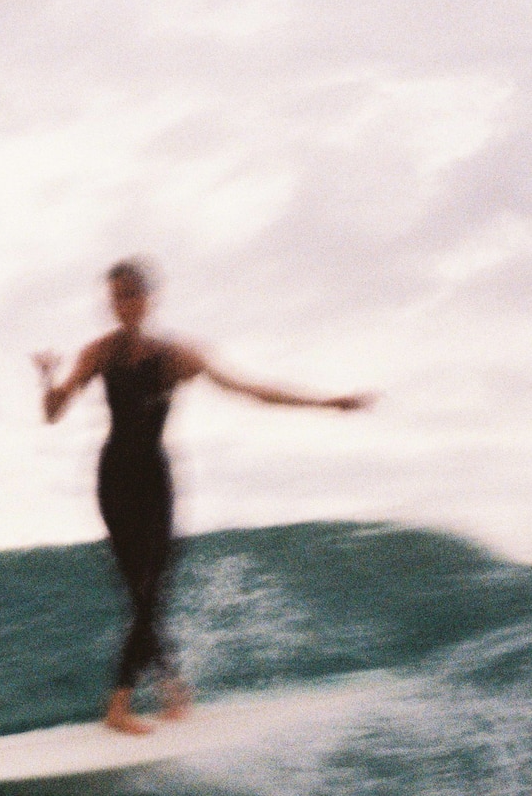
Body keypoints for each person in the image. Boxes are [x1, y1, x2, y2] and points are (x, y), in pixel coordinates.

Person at [33, 260, 371, 735]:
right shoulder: (99, 353)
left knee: (152, 589)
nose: (123, 303)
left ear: (148, 298)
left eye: (131, 293)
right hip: (115, 479)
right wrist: (47, 378)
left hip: (156, 477)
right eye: (115, 296)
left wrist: (326, 403)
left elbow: (250, 390)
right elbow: (52, 413)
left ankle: (170, 689)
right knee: (141, 591)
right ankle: (121, 707)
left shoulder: (177, 356)